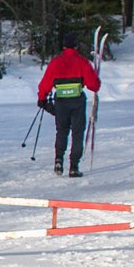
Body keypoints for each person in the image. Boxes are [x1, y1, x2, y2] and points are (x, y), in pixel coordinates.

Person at [37, 30, 102, 178]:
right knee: (77, 133)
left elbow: (45, 84)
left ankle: (58, 160)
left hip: (60, 102)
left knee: (62, 131)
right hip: (77, 101)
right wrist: (96, 80)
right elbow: (94, 85)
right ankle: (74, 167)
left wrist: (42, 98)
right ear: (76, 46)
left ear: (64, 47)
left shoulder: (55, 62)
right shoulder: (82, 62)